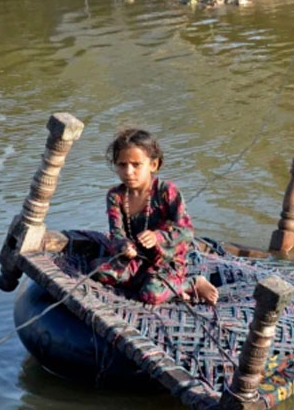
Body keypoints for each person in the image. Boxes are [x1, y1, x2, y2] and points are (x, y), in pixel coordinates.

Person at [91, 128, 218, 305]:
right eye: (122, 165)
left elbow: (186, 231)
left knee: (151, 295)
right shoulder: (115, 196)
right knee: (100, 271)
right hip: (137, 257)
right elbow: (116, 232)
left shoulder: (167, 191)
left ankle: (191, 283)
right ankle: (163, 286)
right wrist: (124, 246)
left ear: (153, 165)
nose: (128, 172)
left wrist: (157, 237)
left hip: (167, 259)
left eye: (136, 165)